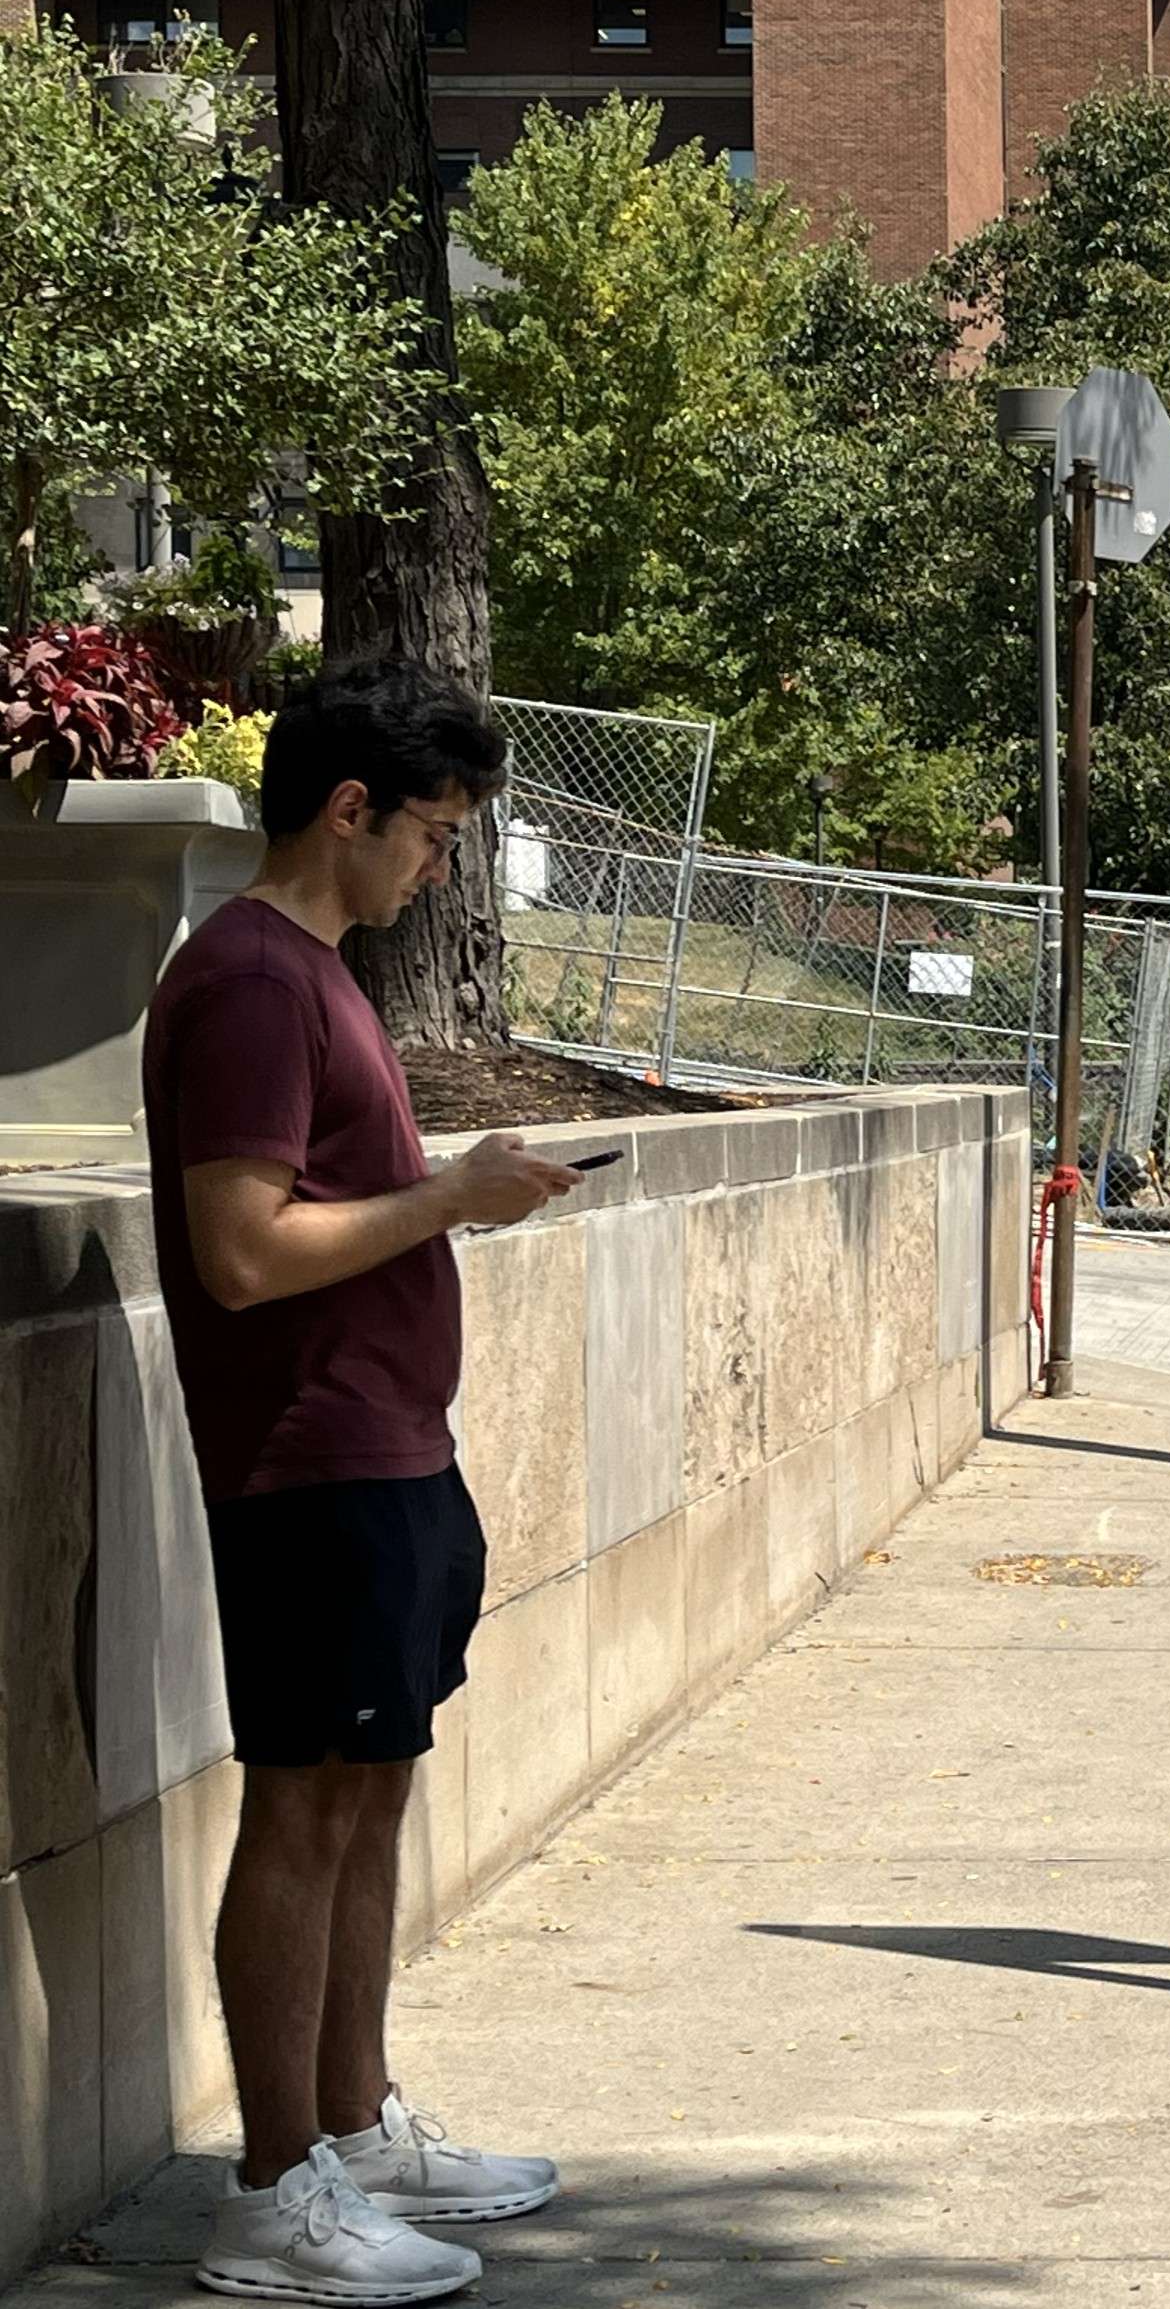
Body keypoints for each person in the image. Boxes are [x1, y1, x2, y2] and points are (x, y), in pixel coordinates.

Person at [143, 670, 583, 2305]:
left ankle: (350, 2125)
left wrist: (451, 1193)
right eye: (431, 833)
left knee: (371, 1789)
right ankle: (271, 2193)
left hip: (385, 1451)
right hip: (306, 1459)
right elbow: (244, 1253)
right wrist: (453, 1193)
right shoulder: (254, 982)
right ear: (348, 810)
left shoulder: (311, 976)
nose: (439, 870)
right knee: (305, 1801)